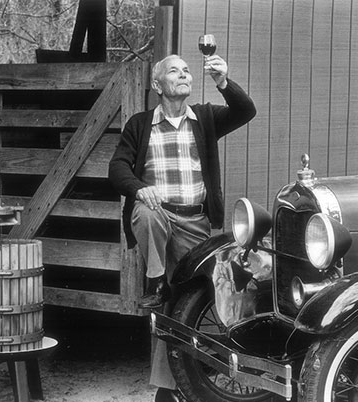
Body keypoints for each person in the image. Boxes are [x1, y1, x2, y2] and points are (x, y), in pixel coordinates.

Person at [108, 53, 254, 402]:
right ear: (158, 85)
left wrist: (223, 82)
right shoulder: (140, 125)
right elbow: (116, 167)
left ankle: (175, 387)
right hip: (157, 219)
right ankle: (157, 278)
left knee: (185, 304)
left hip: (194, 222)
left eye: (187, 70)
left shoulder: (204, 118)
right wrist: (138, 187)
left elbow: (245, 111)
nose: (184, 74)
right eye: (175, 71)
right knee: (145, 211)